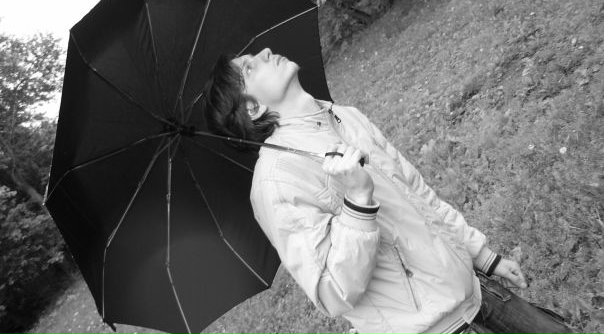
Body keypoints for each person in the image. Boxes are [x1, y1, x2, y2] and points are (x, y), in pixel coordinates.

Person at [202, 48, 574, 334]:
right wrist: (357, 202)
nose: (265, 52)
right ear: (253, 108)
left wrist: (481, 255)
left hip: (474, 290)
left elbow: (418, 193)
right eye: (249, 68)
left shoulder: (346, 117)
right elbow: (333, 292)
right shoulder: (276, 182)